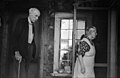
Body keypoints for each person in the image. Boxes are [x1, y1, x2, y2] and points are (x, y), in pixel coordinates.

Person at [11, 8, 40, 78]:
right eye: (36, 16)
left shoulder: (33, 25)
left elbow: (31, 39)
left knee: (26, 70)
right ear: (30, 14)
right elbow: (15, 37)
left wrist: (33, 51)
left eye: (38, 16)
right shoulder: (21, 22)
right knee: (19, 72)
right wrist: (16, 51)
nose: (37, 18)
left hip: (29, 50)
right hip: (20, 49)